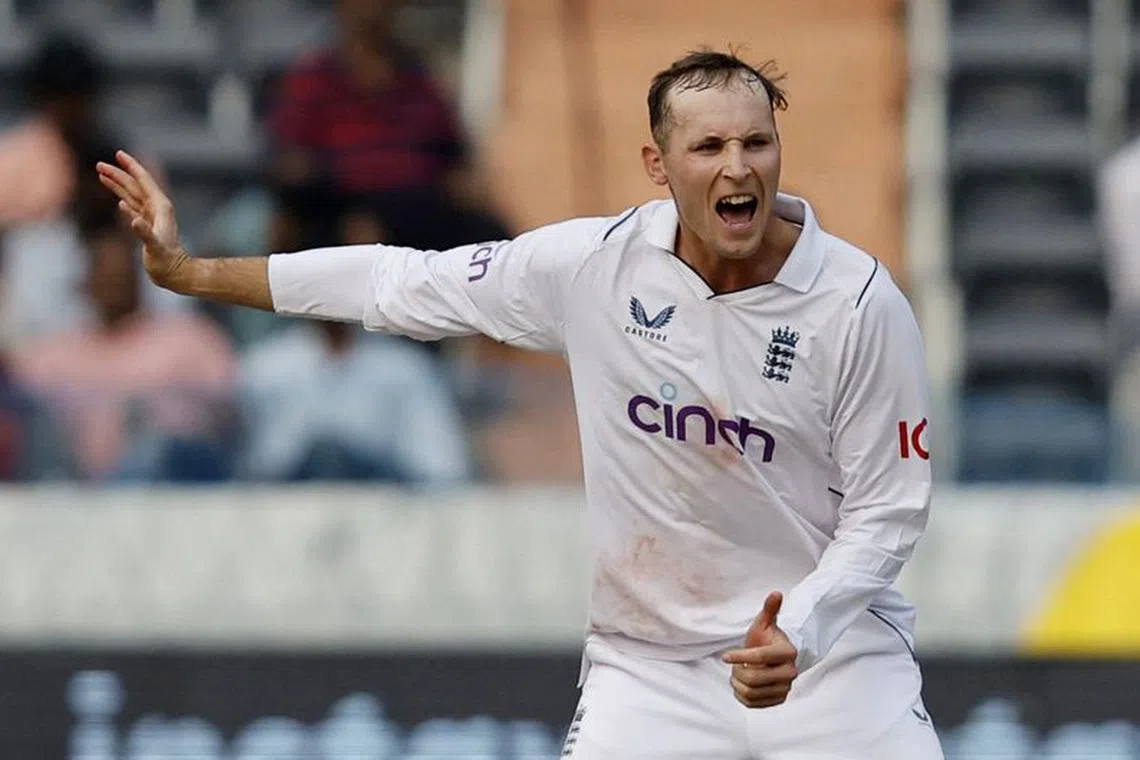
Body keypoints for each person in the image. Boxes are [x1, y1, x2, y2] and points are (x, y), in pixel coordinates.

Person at [98, 49, 942, 759]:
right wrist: (193, 272)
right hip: (653, 670)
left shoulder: (859, 303)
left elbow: (890, 509)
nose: (737, 166)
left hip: (835, 665)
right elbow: (400, 281)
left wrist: (803, 625)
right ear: (658, 165)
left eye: (757, 142)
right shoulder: (592, 268)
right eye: (709, 145)